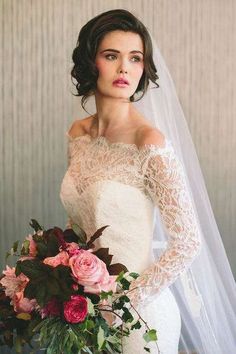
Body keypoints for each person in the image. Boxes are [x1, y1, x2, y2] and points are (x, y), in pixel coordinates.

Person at [60, 9, 236, 354]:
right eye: (111, 55)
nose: (124, 68)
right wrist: (57, 270)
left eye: (135, 58)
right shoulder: (78, 134)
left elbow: (187, 242)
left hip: (140, 316)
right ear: (89, 62)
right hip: (85, 314)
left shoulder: (148, 142)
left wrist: (123, 303)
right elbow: (78, 226)